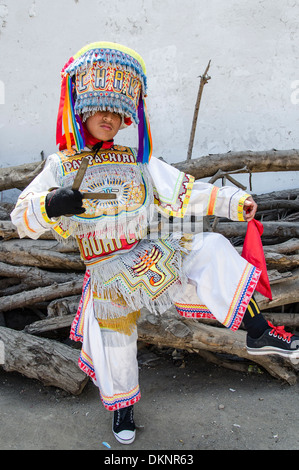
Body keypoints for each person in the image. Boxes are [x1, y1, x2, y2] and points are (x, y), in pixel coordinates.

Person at [10, 42, 299, 445]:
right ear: (82, 110)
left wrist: (235, 201)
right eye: (100, 109)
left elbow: (185, 192)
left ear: (127, 116)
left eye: (116, 110)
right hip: (106, 268)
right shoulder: (61, 165)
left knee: (210, 245)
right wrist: (52, 203)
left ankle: (257, 329)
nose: (108, 117)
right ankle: (122, 408)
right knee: (116, 341)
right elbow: (20, 217)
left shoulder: (138, 160)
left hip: (149, 247)